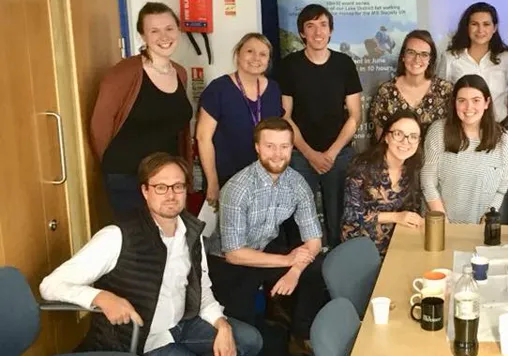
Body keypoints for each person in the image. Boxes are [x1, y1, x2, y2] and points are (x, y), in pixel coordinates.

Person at [40, 152, 262, 355]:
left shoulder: (191, 231)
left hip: (182, 325)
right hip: (142, 339)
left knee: (249, 340)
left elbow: (202, 289)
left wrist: (221, 325)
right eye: (161, 187)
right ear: (145, 191)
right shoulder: (117, 235)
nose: (171, 195)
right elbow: (51, 285)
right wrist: (101, 297)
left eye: (178, 187)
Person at [205, 117, 326, 350]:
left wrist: (296, 270)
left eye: (284, 146)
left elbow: (314, 240)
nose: (277, 154)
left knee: (316, 267)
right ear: (257, 147)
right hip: (227, 263)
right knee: (247, 332)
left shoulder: (297, 183)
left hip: (264, 248)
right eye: (270, 146)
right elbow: (234, 253)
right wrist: (287, 260)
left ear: (292, 147)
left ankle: (300, 334)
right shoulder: (238, 188)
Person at [91, 2, 193, 218]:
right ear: (142, 36)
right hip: (129, 177)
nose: (163, 36)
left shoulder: (180, 73)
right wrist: (115, 166)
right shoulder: (124, 73)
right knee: (141, 242)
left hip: (166, 179)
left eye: (169, 29)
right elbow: (99, 126)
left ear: (178, 30)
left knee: (168, 240)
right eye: (154, 31)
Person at [279, 4, 362, 250]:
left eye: (323, 25)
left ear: (331, 30)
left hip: (339, 154)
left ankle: (336, 277)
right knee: (297, 219)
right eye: (310, 26)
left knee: (339, 219)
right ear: (302, 33)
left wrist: (331, 153)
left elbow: (355, 116)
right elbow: (285, 116)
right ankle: (301, 275)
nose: (317, 32)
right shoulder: (289, 65)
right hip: (301, 155)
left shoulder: (344, 64)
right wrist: (309, 153)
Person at [196, 33, 283, 208]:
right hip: (227, 178)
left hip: (264, 180)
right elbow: (202, 138)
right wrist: (212, 183)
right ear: (238, 55)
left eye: (263, 54)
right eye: (250, 51)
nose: (256, 58)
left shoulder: (273, 89)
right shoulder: (219, 89)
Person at [422, 74, 508, 224]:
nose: (469, 107)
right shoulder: (439, 131)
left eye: (476, 100)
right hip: (439, 225)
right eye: (462, 101)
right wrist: (442, 221)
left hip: (480, 228)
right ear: (454, 103)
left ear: (487, 102)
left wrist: (488, 219)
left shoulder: (502, 138)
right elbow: (427, 180)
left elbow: (502, 188)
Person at [342, 111, 425, 257]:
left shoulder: (413, 169)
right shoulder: (362, 168)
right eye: (398, 134)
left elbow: (412, 210)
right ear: (387, 136)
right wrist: (396, 217)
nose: (406, 142)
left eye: (413, 137)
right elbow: (352, 216)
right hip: (361, 249)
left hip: (397, 245)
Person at [437, 2, 508, 126]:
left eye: (486, 24)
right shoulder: (450, 58)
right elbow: (441, 98)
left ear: (495, 28)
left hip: (498, 128)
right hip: (460, 129)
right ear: (467, 27)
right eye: (474, 24)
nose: (480, 30)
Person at [369, 30, 453, 139]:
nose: (417, 59)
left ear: (430, 60)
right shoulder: (386, 91)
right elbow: (381, 138)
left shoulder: (445, 90)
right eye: (411, 52)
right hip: (397, 154)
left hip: (436, 155)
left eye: (424, 54)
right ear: (403, 56)